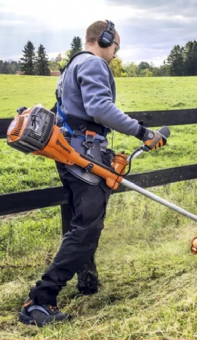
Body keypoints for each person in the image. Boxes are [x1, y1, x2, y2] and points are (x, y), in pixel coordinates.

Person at [19, 19, 166, 327]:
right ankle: (41, 300)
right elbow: (100, 108)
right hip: (83, 157)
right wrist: (142, 132)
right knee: (87, 227)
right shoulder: (95, 64)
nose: (115, 53)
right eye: (115, 46)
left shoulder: (71, 66)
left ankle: (87, 283)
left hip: (71, 155)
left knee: (83, 223)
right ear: (104, 38)